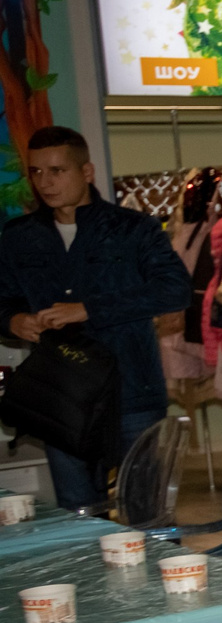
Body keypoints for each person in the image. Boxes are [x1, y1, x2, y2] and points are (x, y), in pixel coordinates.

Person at [0, 127, 190, 509]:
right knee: (77, 511)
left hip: (132, 387)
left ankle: (155, 571)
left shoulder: (134, 229)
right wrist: (13, 320)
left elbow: (176, 290)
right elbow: (3, 299)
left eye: (57, 171)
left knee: (146, 510)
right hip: (59, 390)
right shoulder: (18, 236)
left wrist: (90, 309)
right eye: (36, 173)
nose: (45, 182)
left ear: (86, 172)